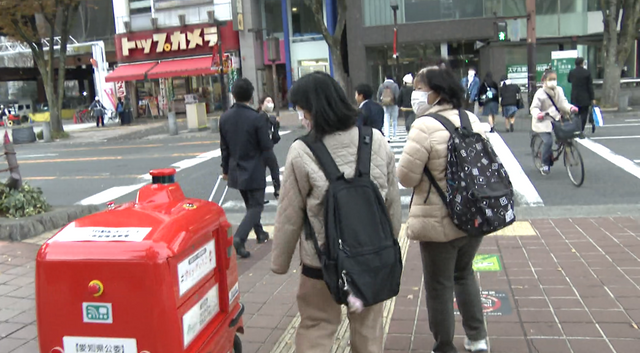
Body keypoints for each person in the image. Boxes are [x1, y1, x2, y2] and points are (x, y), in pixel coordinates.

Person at [272, 72, 401, 353]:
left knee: (317, 325)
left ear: (312, 109)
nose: (300, 116)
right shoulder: (376, 141)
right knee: (368, 328)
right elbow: (391, 201)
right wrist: (389, 243)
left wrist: (279, 262)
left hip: (321, 263)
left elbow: (289, 214)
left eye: (301, 109)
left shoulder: (302, 150)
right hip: (369, 258)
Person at [397, 59, 488, 353]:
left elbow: (406, 177)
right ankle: (478, 339)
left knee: (439, 286)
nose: (415, 94)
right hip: (473, 216)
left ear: (435, 92)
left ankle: (444, 345)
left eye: (419, 88)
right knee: (464, 274)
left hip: (438, 222)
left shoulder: (423, 126)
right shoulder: (470, 119)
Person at [220, 78, 273, 258]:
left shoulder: (224, 118)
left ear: (233, 95)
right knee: (256, 206)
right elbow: (266, 147)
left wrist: (225, 170)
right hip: (255, 169)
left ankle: (260, 233)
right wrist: (274, 174)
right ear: (251, 96)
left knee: (250, 205)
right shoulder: (256, 118)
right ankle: (240, 238)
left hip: (236, 170)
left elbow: (224, 147)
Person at [531, 69, 579, 176]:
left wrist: (571, 108)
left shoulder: (559, 90)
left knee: (566, 134)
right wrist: (539, 114)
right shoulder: (540, 93)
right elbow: (534, 108)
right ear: (544, 80)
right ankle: (544, 164)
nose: (553, 81)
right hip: (543, 120)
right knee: (548, 141)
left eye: (554, 79)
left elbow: (563, 103)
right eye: (550, 79)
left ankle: (553, 153)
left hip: (556, 119)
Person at [257, 95, 281, 200]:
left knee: (270, 170)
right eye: (267, 101)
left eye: (271, 101)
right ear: (261, 104)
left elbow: (275, 137)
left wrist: (276, 126)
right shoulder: (262, 118)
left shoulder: (269, 119)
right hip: (264, 149)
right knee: (272, 170)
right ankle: (277, 191)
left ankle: (275, 191)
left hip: (265, 149)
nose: (270, 104)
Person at [568, 57, 595, 133]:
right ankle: (581, 129)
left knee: (576, 114)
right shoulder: (587, 73)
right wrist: (592, 98)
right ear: (582, 63)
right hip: (585, 96)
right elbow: (590, 86)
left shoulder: (572, 72)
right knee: (584, 114)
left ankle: (576, 128)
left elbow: (569, 80)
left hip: (575, 96)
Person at [377, 73, 400, 139]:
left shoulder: (382, 86)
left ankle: (387, 135)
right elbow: (397, 96)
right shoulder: (395, 86)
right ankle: (394, 134)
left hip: (385, 105)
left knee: (386, 120)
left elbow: (378, 95)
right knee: (394, 120)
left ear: (385, 78)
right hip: (394, 105)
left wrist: (381, 102)